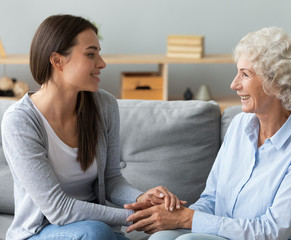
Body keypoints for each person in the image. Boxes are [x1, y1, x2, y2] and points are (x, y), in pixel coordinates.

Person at [124, 27, 291, 239]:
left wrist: (187, 220)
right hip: (230, 235)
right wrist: (174, 215)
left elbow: (272, 231)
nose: (234, 84)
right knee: (162, 238)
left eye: (245, 74)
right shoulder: (239, 125)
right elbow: (213, 199)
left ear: (276, 83)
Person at [1, 14, 183, 240]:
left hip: (97, 230)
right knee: (96, 232)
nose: (102, 63)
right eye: (90, 54)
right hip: (42, 232)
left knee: (166, 236)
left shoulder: (104, 105)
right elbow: (58, 209)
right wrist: (140, 215)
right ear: (57, 61)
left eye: (99, 53)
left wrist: (142, 199)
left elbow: (112, 180)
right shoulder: (20, 121)